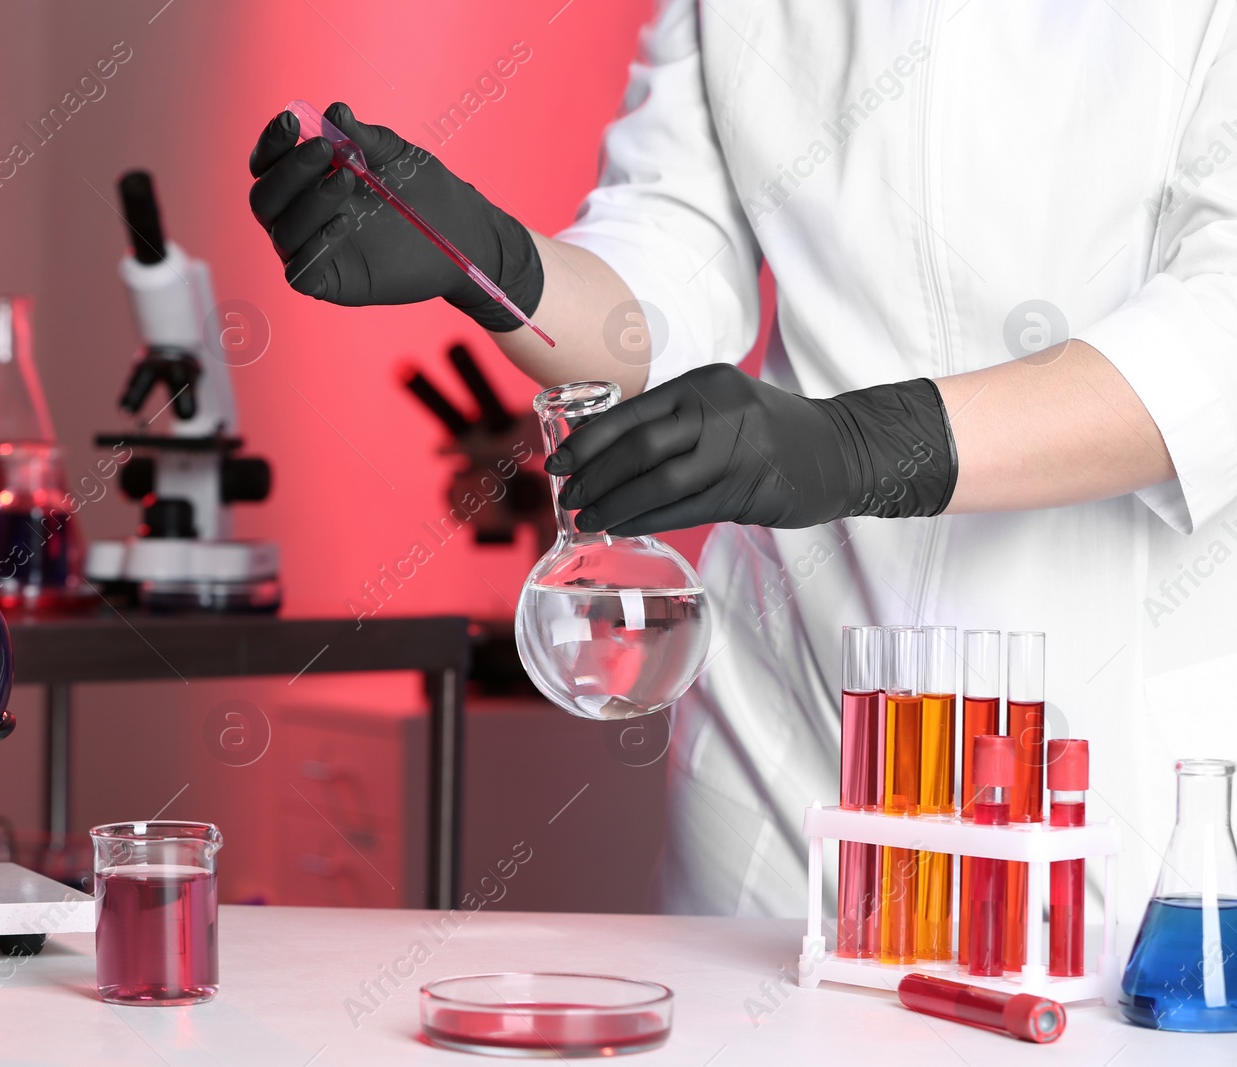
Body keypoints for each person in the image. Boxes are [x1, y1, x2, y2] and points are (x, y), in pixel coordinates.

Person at [248, 0, 1237, 920]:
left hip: (1105, 745)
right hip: (791, 743)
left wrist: (858, 446)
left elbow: (1218, 329)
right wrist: (497, 264)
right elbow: (668, 269)